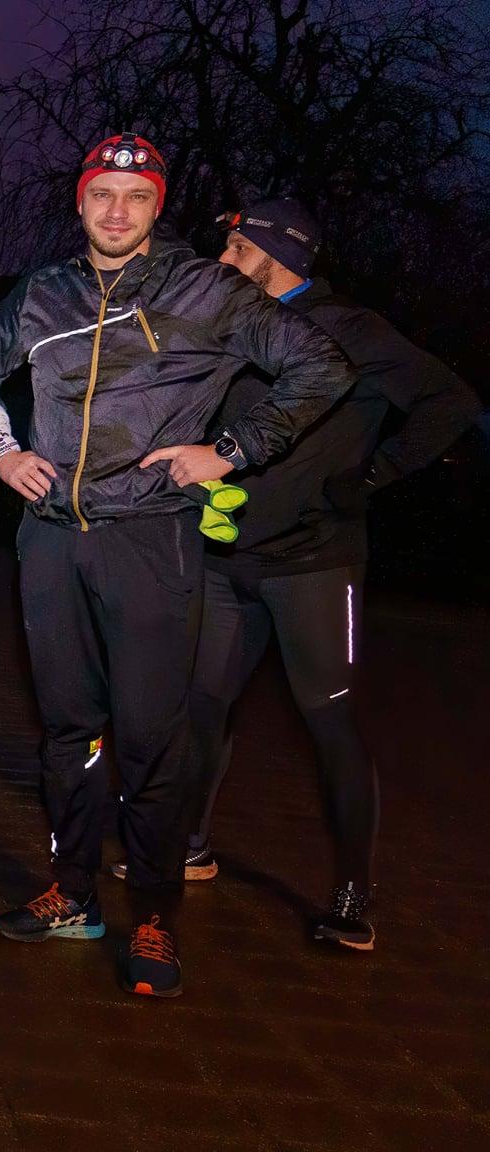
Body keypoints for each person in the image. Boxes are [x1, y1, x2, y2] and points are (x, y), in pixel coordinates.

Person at [0, 135, 352, 997]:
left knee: (150, 738)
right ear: (80, 201)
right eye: (102, 195)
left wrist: (230, 449)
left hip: (150, 541)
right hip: (51, 539)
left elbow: (321, 366)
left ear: (158, 205)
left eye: (136, 196)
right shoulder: (43, 292)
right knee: (67, 732)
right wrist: (1, 451)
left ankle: (153, 912)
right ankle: (74, 894)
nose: (117, 211)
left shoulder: (206, 289)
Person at [176, 199, 480, 949]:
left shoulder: (353, 330)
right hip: (226, 560)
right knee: (203, 707)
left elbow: (451, 402)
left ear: (279, 258)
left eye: (238, 249)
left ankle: (351, 894)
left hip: (314, 564)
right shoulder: (235, 323)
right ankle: (189, 845)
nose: (223, 260)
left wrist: (373, 475)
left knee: (330, 720)